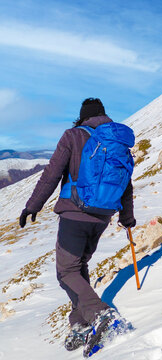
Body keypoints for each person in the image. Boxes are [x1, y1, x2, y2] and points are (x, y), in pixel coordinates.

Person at [19, 98, 136, 352]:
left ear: (82, 117)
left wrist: (33, 206)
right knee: (78, 266)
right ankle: (79, 323)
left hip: (75, 212)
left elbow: (52, 173)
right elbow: (126, 183)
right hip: (103, 215)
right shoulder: (118, 142)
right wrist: (126, 218)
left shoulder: (72, 136)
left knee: (67, 272)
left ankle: (101, 315)